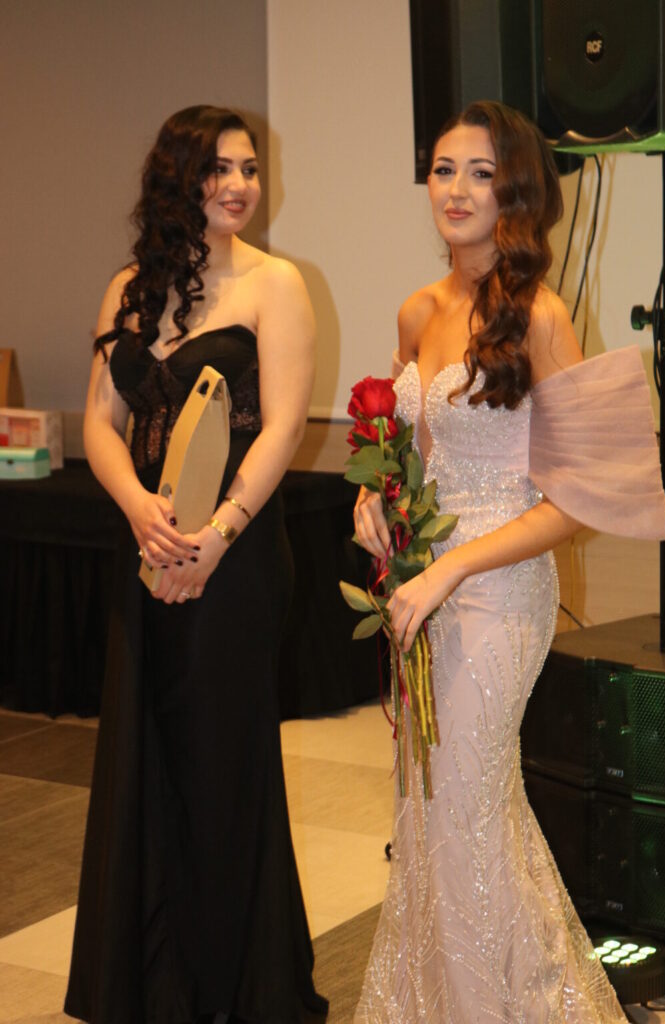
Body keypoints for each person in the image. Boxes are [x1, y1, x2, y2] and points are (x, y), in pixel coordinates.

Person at [352, 101, 665, 1023]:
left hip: (496, 594)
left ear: (516, 191)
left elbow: (573, 503)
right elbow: (405, 451)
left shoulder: (539, 315)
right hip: (417, 588)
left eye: (480, 174)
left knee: (464, 811)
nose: (454, 190)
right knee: (430, 817)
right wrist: (376, 503)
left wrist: (452, 569)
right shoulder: (418, 309)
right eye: (443, 169)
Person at [64, 105, 328, 1024]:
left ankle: (231, 990)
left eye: (249, 167)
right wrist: (140, 510)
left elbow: (282, 429)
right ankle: (151, 985)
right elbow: (100, 423)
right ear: (179, 179)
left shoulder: (275, 284)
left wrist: (215, 537)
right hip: (145, 547)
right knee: (144, 757)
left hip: (237, 558)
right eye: (219, 168)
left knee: (221, 766)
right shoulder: (128, 288)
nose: (240, 185)